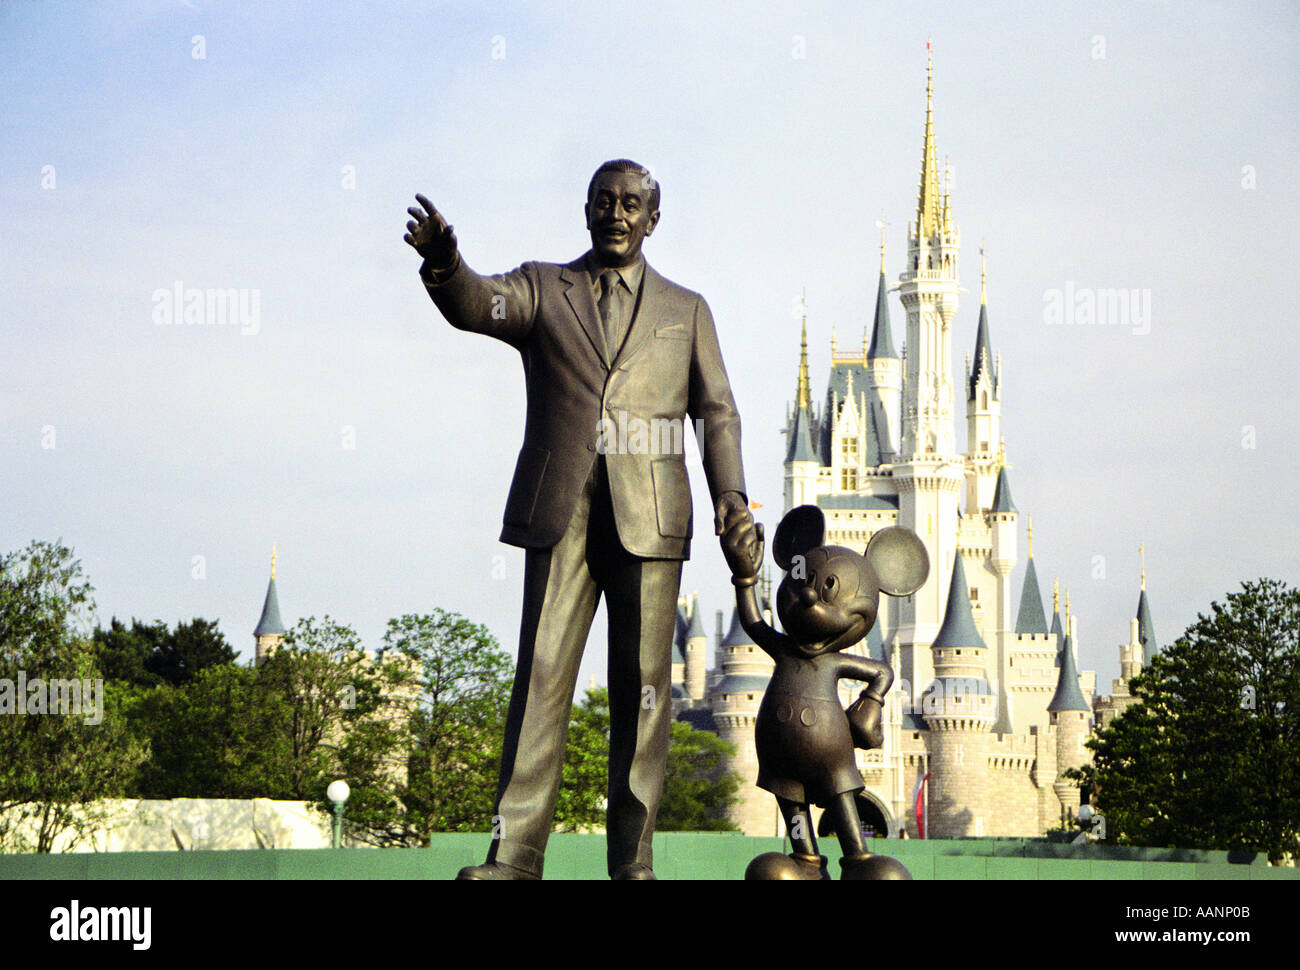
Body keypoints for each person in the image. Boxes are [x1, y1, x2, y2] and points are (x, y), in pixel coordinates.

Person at [405, 159, 758, 879]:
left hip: (650, 516)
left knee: (644, 691)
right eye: (605, 201)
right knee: (538, 676)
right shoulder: (544, 288)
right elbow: (480, 305)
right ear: (586, 210)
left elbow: (716, 411)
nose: (618, 213)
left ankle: (632, 862)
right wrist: (448, 265)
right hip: (560, 507)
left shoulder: (686, 310)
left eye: (633, 203)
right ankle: (514, 856)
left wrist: (732, 500)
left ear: (653, 219)